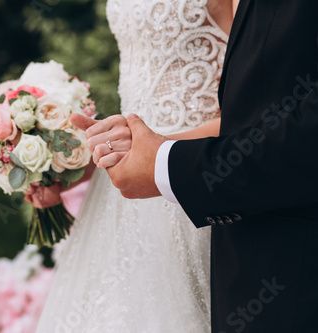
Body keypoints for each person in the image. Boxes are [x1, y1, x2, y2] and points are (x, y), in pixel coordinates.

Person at [76, 0, 318, 332]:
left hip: (207, 185)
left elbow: (252, 107)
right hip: (141, 180)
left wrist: (164, 159)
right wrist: (93, 154)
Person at [33, 1, 237, 332]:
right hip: (122, 184)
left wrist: (157, 154)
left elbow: (257, 111)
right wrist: (79, 161)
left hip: (195, 176)